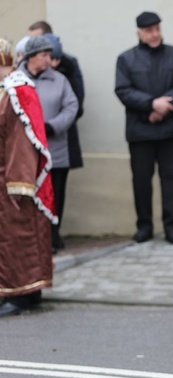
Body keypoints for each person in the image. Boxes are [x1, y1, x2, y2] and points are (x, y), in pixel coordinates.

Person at [115, 11, 173, 244]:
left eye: (157, 29)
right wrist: (151, 105)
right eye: (149, 30)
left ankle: (172, 227)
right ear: (139, 32)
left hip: (170, 130)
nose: (155, 34)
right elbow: (123, 90)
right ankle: (144, 227)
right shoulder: (126, 59)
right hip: (140, 131)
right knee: (141, 181)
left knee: (171, 179)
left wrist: (163, 107)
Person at [0, 39, 57, 317]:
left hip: (14, 180)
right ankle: (27, 290)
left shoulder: (17, 92)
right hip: (5, 177)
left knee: (18, 236)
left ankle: (21, 294)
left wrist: (19, 182)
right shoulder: (8, 89)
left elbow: (22, 140)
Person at [17, 36, 78, 253]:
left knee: (56, 193)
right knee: (30, 194)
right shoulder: (17, 79)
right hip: (26, 150)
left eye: (49, 55)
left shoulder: (59, 80)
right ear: (31, 57)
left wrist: (53, 126)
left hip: (55, 149)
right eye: (44, 55)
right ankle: (32, 237)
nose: (48, 59)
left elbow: (71, 106)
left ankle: (53, 235)